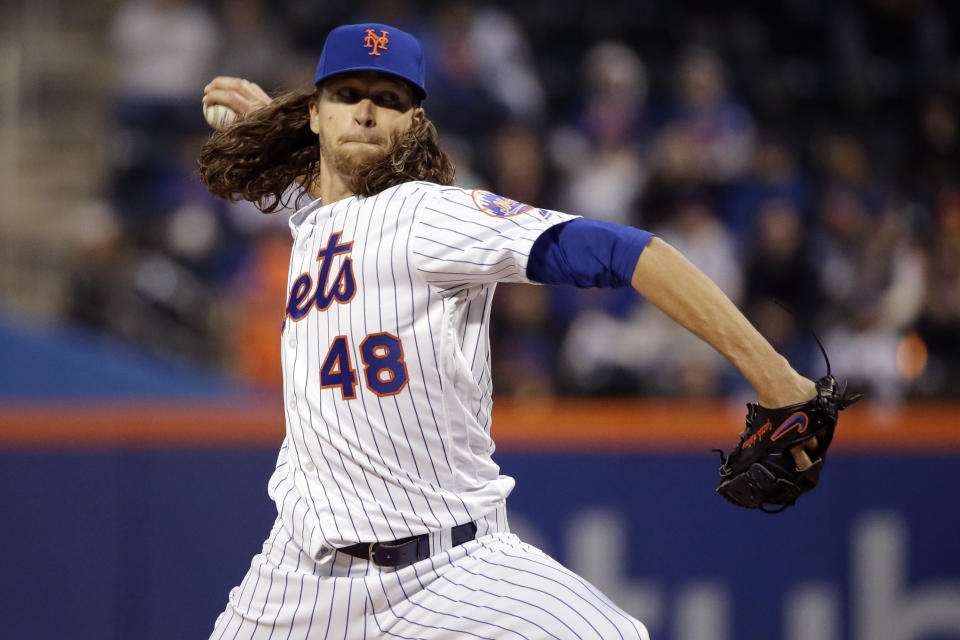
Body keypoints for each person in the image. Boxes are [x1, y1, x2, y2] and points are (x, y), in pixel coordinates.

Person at [198, 23, 820, 639]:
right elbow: (323, 203)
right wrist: (270, 127)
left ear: (415, 123)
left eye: (388, 100)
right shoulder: (317, 219)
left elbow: (627, 251)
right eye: (347, 94)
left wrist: (778, 377)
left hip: (449, 570)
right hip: (298, 581)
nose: (365, 112)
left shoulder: (428, 215)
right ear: (314, 112)